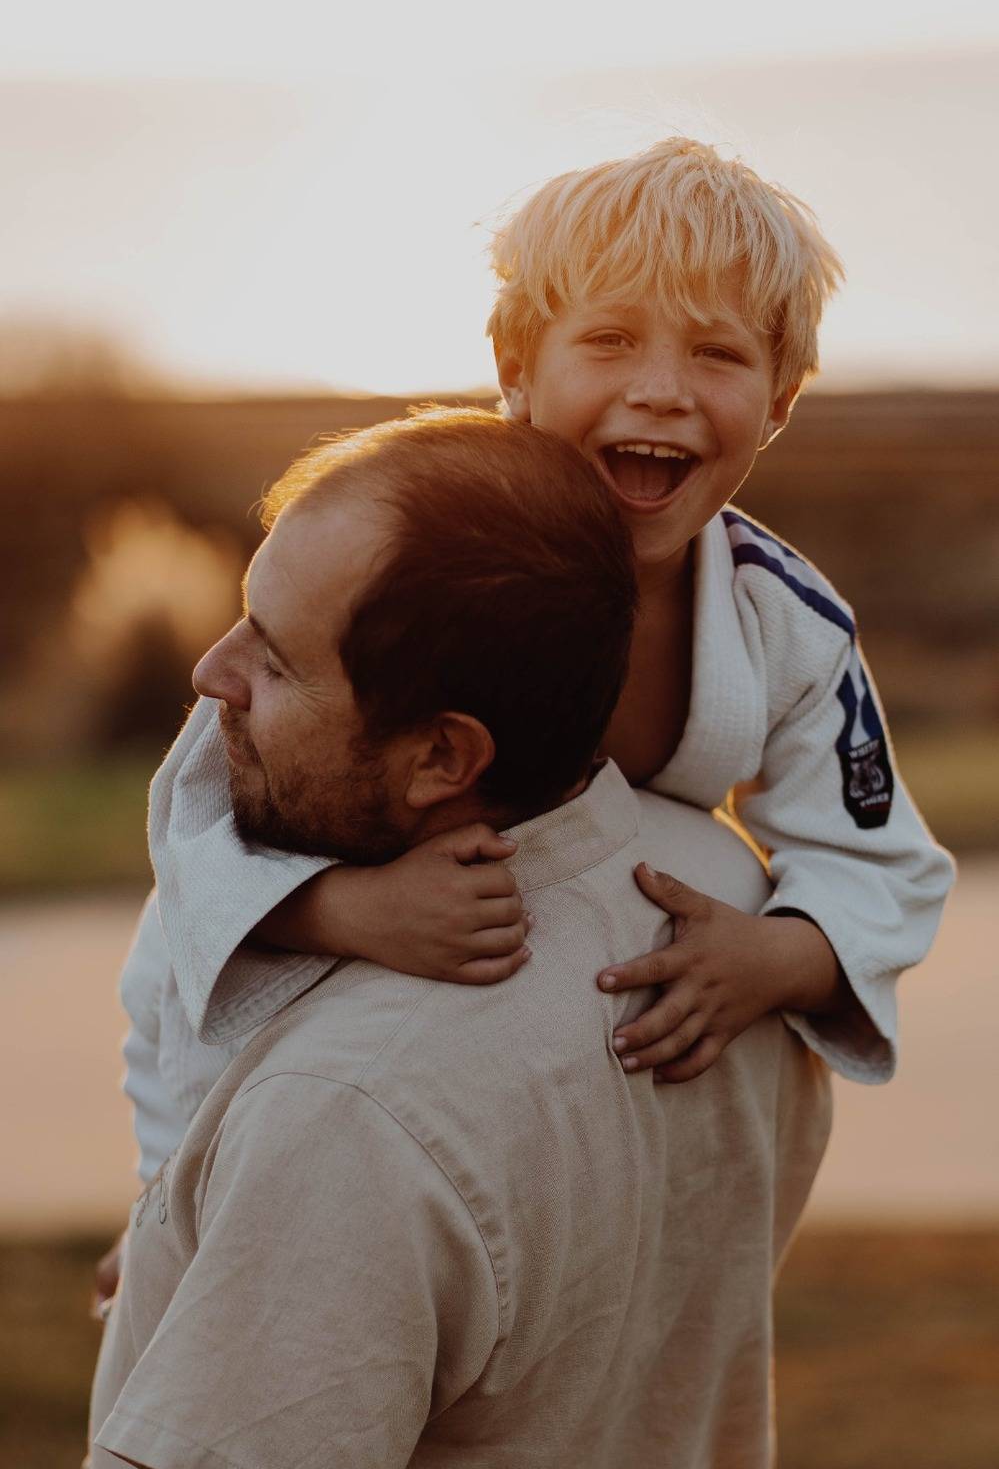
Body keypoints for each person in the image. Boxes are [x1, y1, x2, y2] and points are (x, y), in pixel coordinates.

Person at [115, 136, 952, 1191]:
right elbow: (197, 805)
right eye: (608, 339)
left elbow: (879, 860)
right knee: (214, 1175)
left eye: (717, 354)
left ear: (780, 400)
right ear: (515, 367)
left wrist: (779, 956)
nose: (661, 390)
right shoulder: (402, 544)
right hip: (243, 1007)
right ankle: (164, 1205)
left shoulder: (784, 624)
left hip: (524, 1035)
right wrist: (339, 909)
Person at [90, 408, 833, 1469]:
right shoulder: (732, 900)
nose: (210, 673)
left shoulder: (348, 1115)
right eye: (240, 619)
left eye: (278, 661)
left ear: (442, 757)